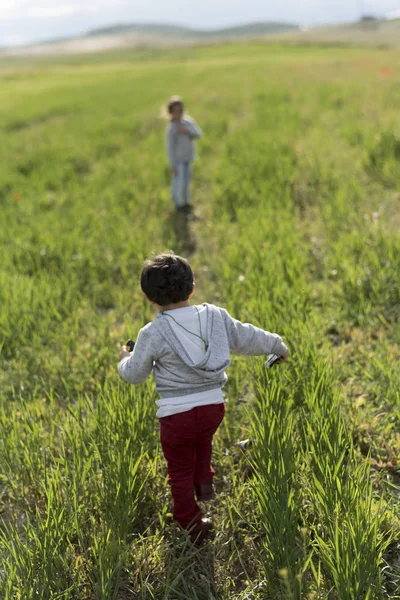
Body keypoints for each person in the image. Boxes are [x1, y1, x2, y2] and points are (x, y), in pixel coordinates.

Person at [118, 253, 289, 544]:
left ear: (150, 299)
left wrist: (125, 359)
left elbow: (135, 374)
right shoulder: (216, 317)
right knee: (202, 438)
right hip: (213, 408)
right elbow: (247, 337)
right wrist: (277, 345)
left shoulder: (152, 333)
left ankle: (189, 519)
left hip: (176, 416)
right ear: (192, 288)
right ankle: (205, 481)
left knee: (179, 468)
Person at [165, 96, 202, 215]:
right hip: (178, 161)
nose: (178, 114)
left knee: (186, 181)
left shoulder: (188, 122)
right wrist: (173, 165)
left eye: (180, 110)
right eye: (175, 111)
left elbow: (198, 134)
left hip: (188, 157)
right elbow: (170, 148)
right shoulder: (171, 129)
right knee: (178, 183)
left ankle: (186, 202)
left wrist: (186, 131)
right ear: (171, 113)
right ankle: (178, 204)